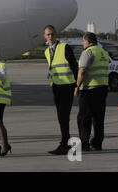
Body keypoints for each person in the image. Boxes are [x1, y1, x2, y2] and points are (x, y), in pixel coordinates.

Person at [43, 25, 78, 155]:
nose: (50, 36)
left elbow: (75, 66)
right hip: (56, 87)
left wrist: (77, 86)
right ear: (44, 36)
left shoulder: (64, 47)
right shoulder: (46, 52)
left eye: (52, 34)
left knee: (63, 116)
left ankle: (65, 144)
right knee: (61, 116)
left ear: (56, 34)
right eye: (47, 35)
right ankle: (65, 142)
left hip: (68, 86)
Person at [74, 33, 109, 152]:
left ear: (87, 42)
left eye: (83, 41)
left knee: (83, 118)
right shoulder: (103, 52)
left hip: (89, 89)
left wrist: (77, 86)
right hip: (103, 88)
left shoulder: (88, 52)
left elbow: (82, 71)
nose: (83, 44)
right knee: (98, 117)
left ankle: (84, 144)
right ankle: (97, 143)